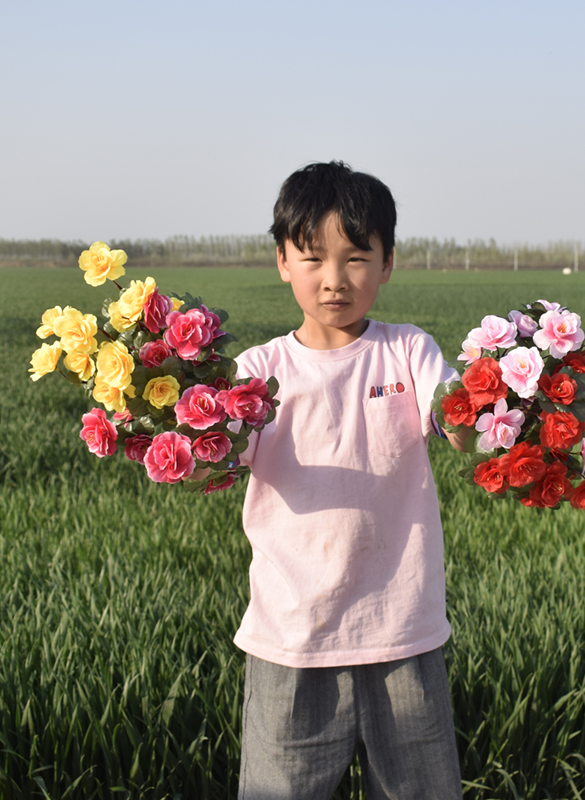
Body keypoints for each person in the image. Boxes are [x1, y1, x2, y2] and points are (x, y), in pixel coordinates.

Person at [233, 161, 467, 799]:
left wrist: (489, 418)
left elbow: (454, 417)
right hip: (292, 634)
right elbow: (220, 457)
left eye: (357, 257)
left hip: (402, 629)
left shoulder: (409, 352)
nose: (334, 280)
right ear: (282, 260)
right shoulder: (258, 370)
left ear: (388, 262)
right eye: (312, 258)